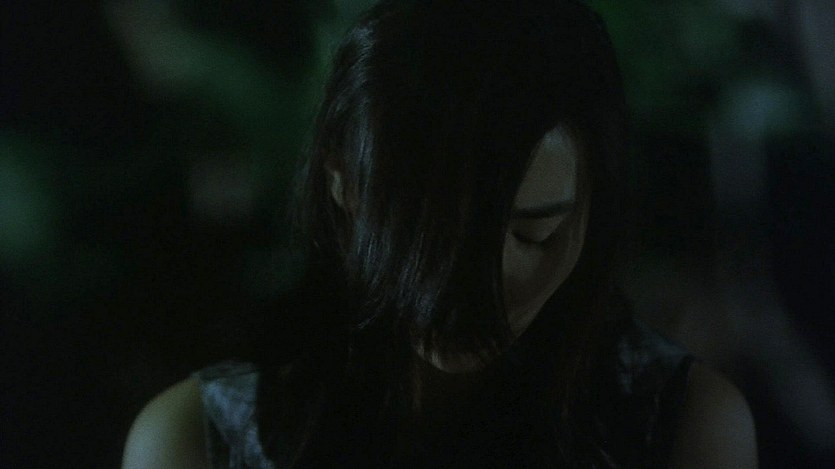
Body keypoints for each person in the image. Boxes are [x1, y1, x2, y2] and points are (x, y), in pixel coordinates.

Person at [122, 1, 757, 467]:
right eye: (433, 228)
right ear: (343, 183)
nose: (479, 278)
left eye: (534, 233)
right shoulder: (202, 442)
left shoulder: (677, 429)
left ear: (593, 212)